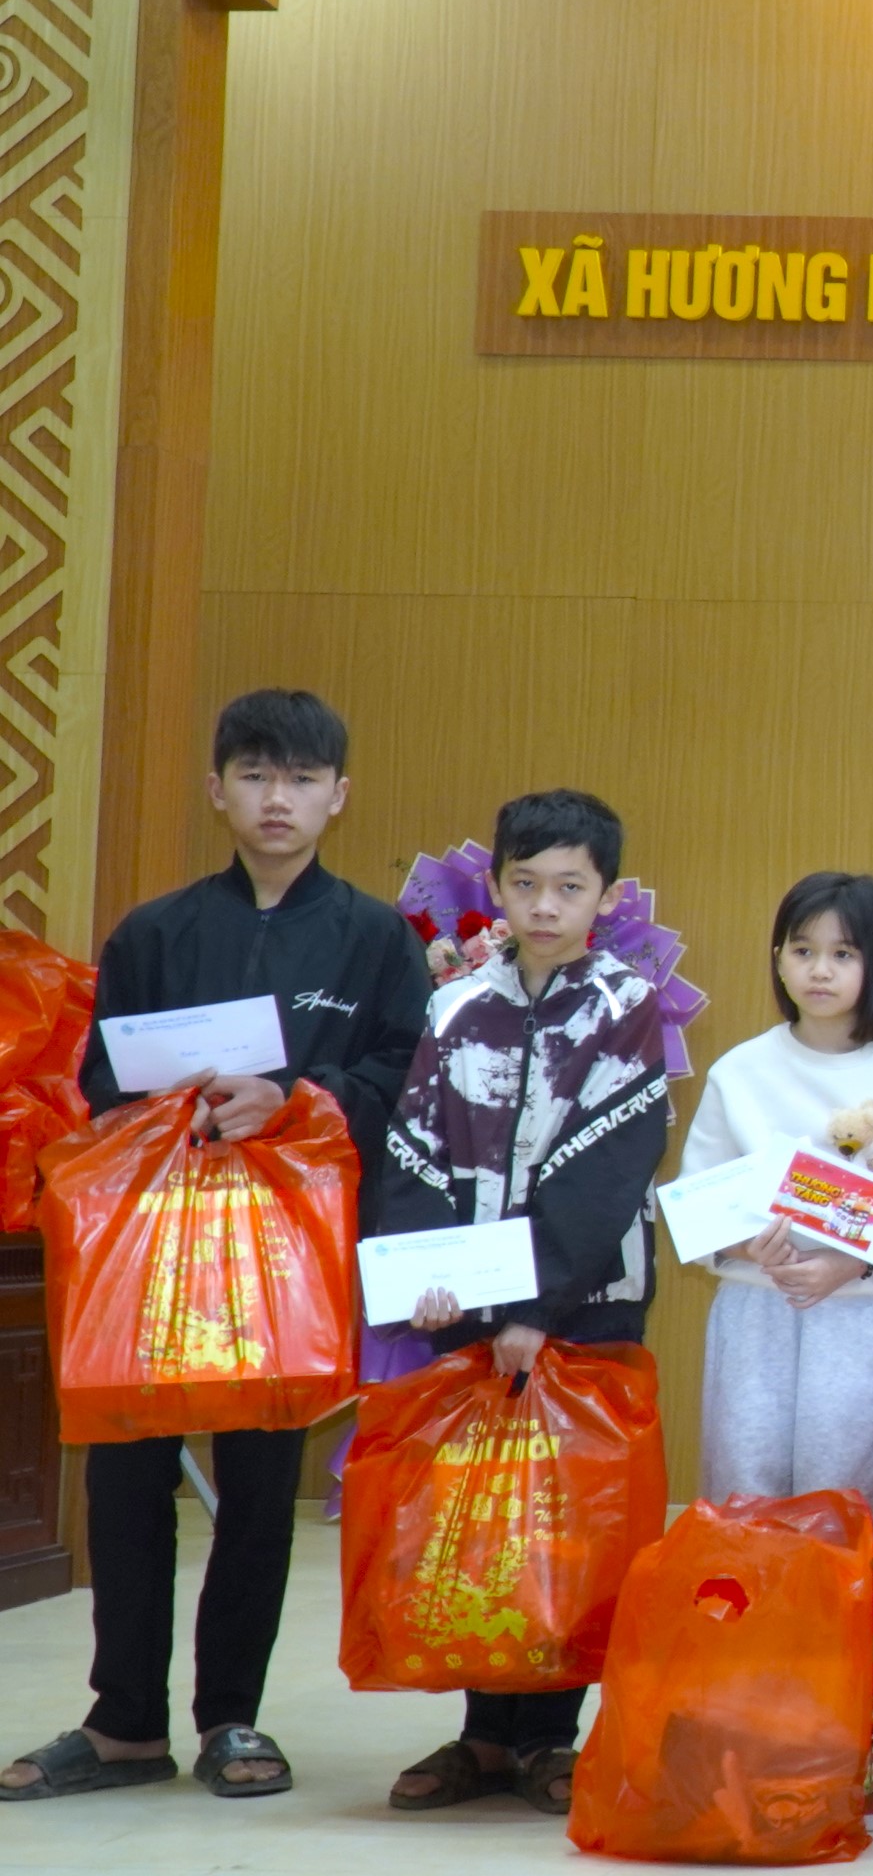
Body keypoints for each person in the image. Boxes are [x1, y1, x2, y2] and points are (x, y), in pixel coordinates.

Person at [1, 691, 430, 1805]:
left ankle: (232, 1713)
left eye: (300, 779)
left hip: (287, 1248)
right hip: (155, 1241)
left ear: (338, 795)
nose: (277, 798)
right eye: (255, 774)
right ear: (217, 789)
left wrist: (292, 1096)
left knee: (258, 1480)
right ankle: (124, 1721)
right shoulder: (153, 933)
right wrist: (177, 1103)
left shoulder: (377, 938)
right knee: (128, 1475)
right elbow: (100, 1083)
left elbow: (404, 1077)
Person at [376, 789, 673, 1816]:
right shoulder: (456, 1006)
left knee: (567, 1518)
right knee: (475, 1517)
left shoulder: (627, 1005)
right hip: (468, 1306)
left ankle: (550, 1734)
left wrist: (536, 1306)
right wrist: (424, 1277)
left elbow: (611, 1166)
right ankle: (483, 1733)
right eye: (526, 883)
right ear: (496, 887)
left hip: (584, 1305)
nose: (546, 905)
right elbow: (414, 1148)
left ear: (606, 896)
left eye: (570, 887)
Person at [679, 873, 873, 1518]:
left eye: (843, 954)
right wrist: (748, 1246)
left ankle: (840, 1589)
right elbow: (696, 1201)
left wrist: (848, 1264)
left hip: (859, 1309)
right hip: (754, 1305)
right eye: (803, 951)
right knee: (744, 1486)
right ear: (779, 960)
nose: (820, 970)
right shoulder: (738, 1069)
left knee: (844, 1495)